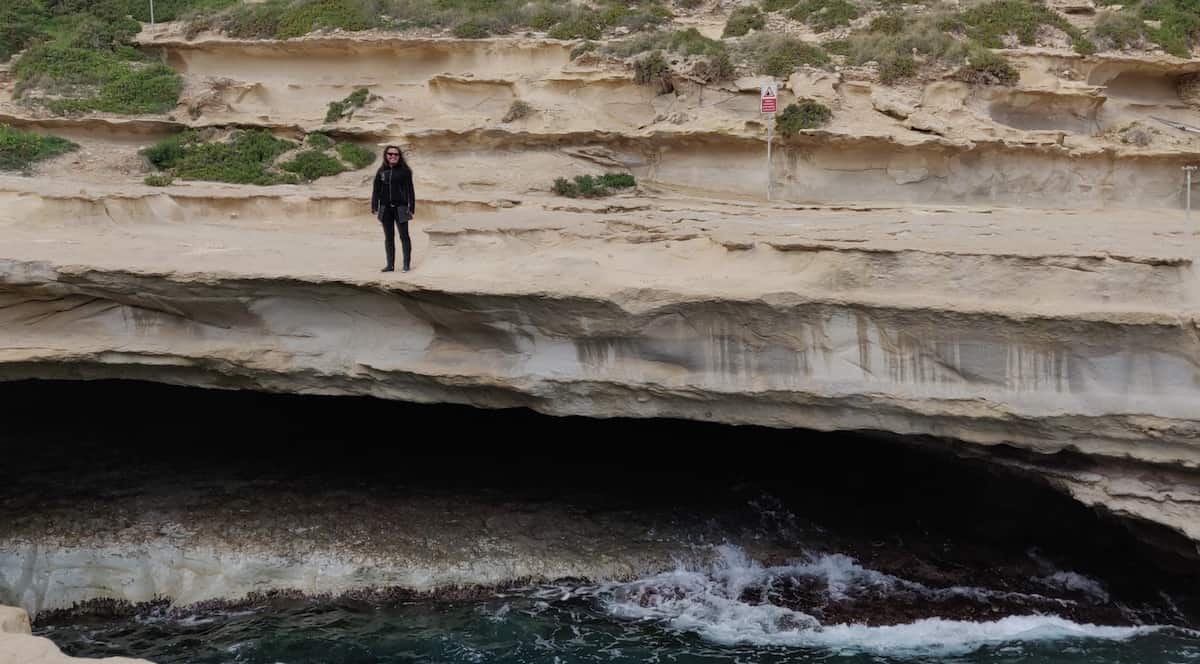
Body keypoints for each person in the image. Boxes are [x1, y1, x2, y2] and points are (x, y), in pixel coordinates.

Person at [371, 145, 416, 272]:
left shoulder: (405, 171)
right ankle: (390, 265)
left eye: (396, 154)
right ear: (386, 155)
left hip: (401, 208)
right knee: (389, 237)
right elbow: (376, 190)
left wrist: (411, 206)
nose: (393, 156)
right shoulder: (381, 172)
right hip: (385, 209)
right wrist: (374, 205)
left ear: (399, 156)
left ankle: (406, 265)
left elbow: (410, 190)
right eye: (390, 154)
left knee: (404, 236)